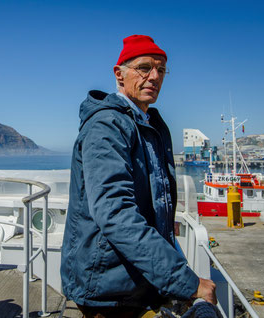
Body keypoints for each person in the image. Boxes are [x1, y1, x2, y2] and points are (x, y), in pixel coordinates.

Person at [60, 35, 216, 317]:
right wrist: (186, 282)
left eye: (161, 69)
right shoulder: (107, 125)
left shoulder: (146, 124)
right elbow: (115, 212)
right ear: (119, 74)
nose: (154, 76)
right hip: (108, 289)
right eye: (144, 67)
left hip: (136, 281)